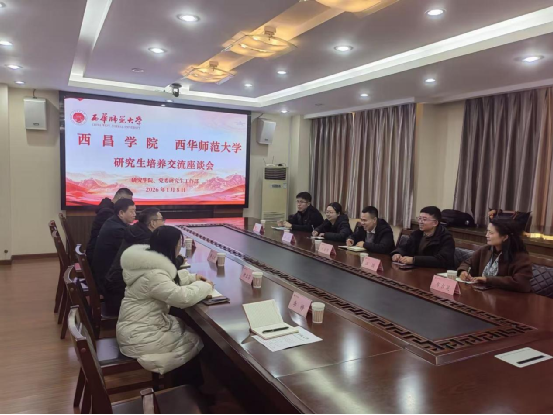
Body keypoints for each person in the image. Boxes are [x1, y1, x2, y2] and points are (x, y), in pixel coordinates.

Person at [117, 226, 214, 386]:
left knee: (185, 328)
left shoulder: (148, 264)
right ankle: (187, 389)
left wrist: (191, 278)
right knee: (192, 339)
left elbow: (165, 283)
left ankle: (190, 384)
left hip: (135, 326)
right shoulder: (154, 274)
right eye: (179, 245)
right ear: (171, 247)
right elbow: (183, 298)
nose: (180, 249)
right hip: (140, 336)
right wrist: (205, 286)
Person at [103, 208, 166, 315]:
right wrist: (178, 261)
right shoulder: (145, 240)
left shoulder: (134, 232)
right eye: (162, 219)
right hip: (121, 294)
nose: (164, 223)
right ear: (153, 223)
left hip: (114, 285)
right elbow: (159, 267)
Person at [458, 220, 533, 293]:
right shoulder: (485, 250)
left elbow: (521, 283)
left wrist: (487, 280)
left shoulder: (520, 257)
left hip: (508, 297)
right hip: (483, 294)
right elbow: (468, 263)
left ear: (504, 237)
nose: (486, 235)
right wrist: (463, 271)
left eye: (491, 233)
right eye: (487, 232)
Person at [92, 199, 136, 294]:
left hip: (105, 274)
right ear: (121, 213)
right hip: (108, 281)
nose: (134, 214)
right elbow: (130, 253)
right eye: (131, 211)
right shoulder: (117, 230)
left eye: (135, 211)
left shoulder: (113, 222)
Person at [86, 188, 133, 266]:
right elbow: (119, 232)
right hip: (99, 258)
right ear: (121, 199)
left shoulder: (109, 209)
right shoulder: (106, 213)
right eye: (128, 202)